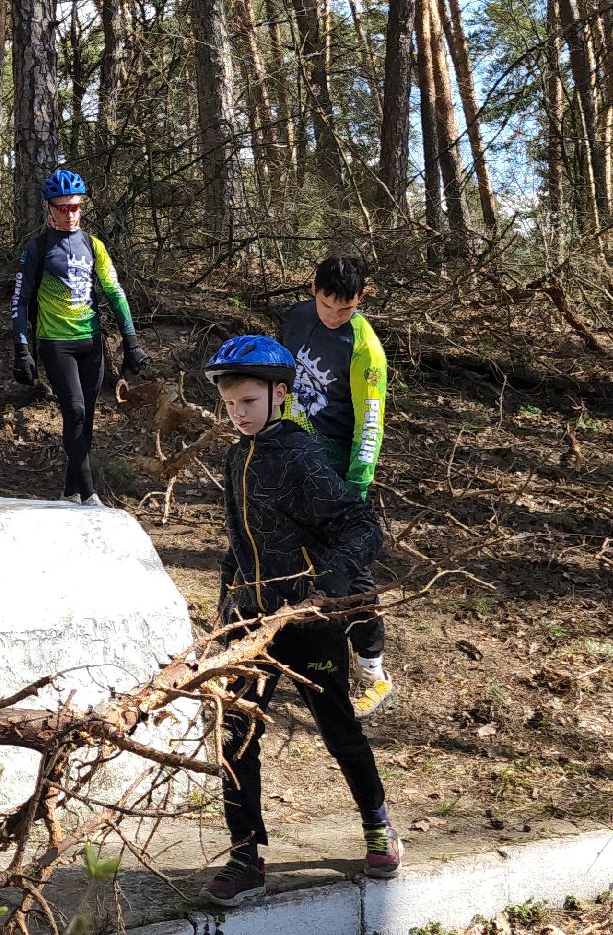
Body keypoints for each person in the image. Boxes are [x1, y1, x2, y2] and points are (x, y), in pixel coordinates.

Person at [201, 335, 399, 903]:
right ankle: (245, 857)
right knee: (236, 736)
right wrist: (225, 615)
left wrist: (331, 582)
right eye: (230, 403)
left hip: (307, 622)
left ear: (280, 395)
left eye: (249, 402)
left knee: (339, 730)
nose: (238, 414)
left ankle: (378, 826)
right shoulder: (235, 456)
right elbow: (238, 544)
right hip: (249, 627)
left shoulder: (300, 456)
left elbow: (361, 526)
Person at [279, 256, 394, 719]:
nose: (332, 315)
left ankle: (373, 671)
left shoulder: (365, 348)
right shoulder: (297, 316)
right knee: (279, 550)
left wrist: (357, 486)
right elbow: (283, 375)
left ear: (360, 300)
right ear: (313, 290)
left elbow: (372, 423)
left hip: (336, 463)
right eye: (326, 304)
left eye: (344, 309)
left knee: (348, 570)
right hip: (290, 446)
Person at [10, 169, 150, 503]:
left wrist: (130, 341)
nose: (70, 214)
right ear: (49, 209)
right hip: (56, 343)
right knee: (73, 410)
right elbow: (20, 299)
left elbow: (115, 292)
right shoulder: (38, 248)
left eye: (75, 206)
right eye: (62, 207)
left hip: (92, 343)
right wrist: (21, 347)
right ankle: (89, 493)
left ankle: (71, 490)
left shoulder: (93, 245)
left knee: (85, 418)